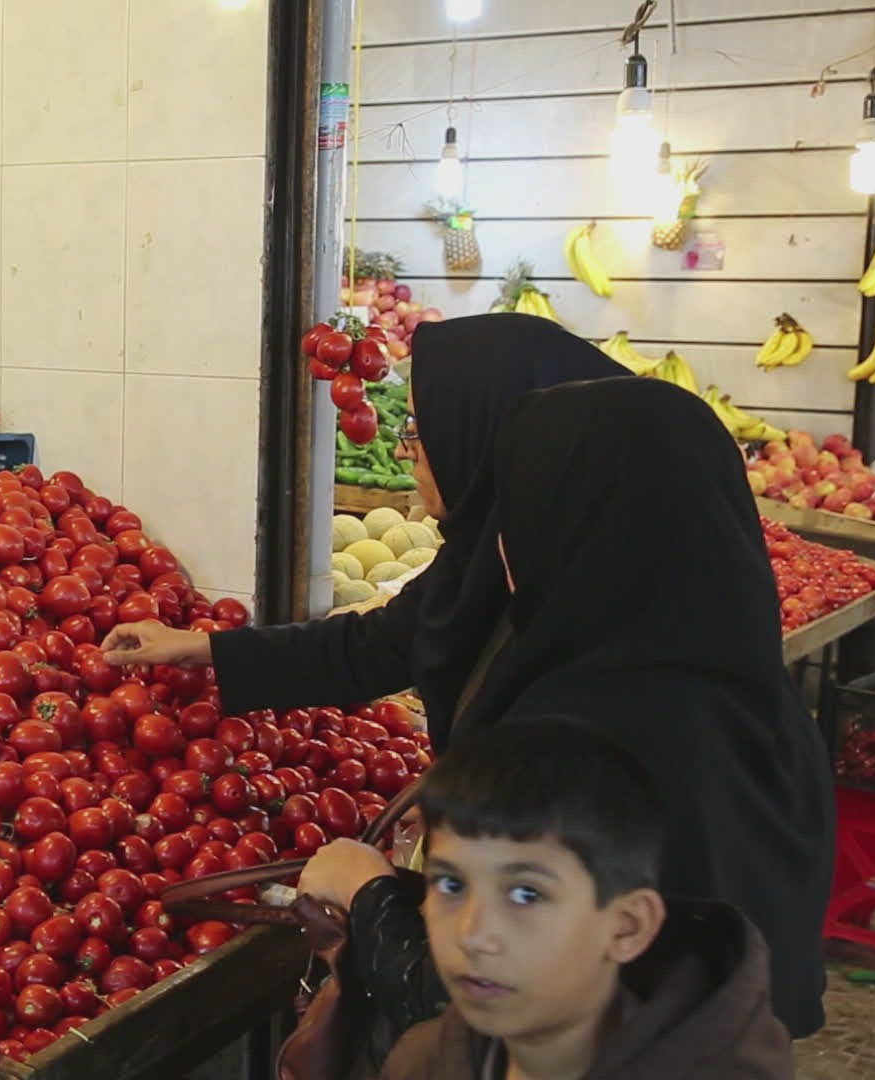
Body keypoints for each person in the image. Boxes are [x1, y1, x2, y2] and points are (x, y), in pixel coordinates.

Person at [299, 377, 832, 1039]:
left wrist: (365, 890)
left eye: (516, 511)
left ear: (565, 525)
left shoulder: (572, 740)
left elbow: (466, 1005)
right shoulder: (760, 703)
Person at [100, 313, 624, 748]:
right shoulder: (489, 550)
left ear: (480, 431)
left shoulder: (587, 592)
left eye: (418, 429)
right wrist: (198, 648)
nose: (401, 449)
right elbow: (378, 645)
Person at [369, 720, 794, 1079]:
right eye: (451, 885)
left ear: (627, 927)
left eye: (526, 894)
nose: (473, 934)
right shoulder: (425, 1061)